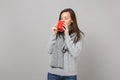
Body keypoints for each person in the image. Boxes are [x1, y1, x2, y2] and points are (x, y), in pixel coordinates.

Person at [47, 8, 84, 80]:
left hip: (69, 75)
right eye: (61, 18)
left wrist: (67, 35)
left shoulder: (78, 35)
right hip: (53, 74)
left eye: (66, 18)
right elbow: (49, 50)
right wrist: (53, 34)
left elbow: (75, 53)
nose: (63, 20)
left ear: (72, 20)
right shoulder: (56, 34)